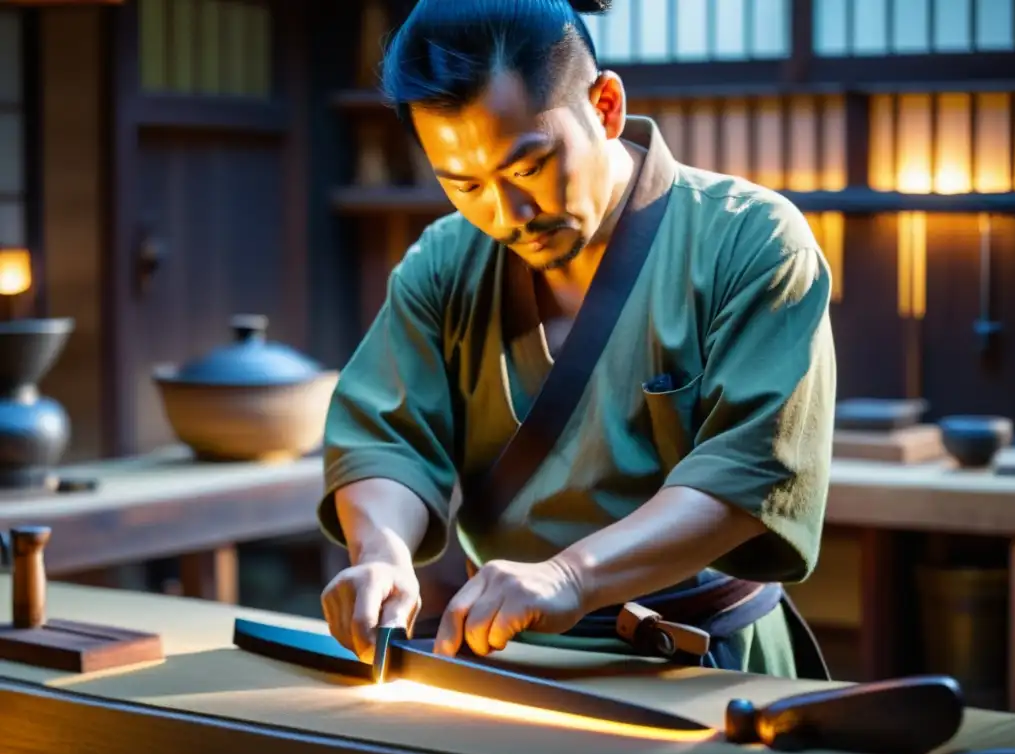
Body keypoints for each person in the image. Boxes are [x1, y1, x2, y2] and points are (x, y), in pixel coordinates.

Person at [318, 0, 836, 679]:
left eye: (529, 167)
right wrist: (381, 552)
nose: (509, 213)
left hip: (701, 659)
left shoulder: (753, 242)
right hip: (500, 656)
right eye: (464, 184)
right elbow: (386, 438)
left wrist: (572, 576)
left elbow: (751, 474)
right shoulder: (444, 262)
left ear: (607, 105)